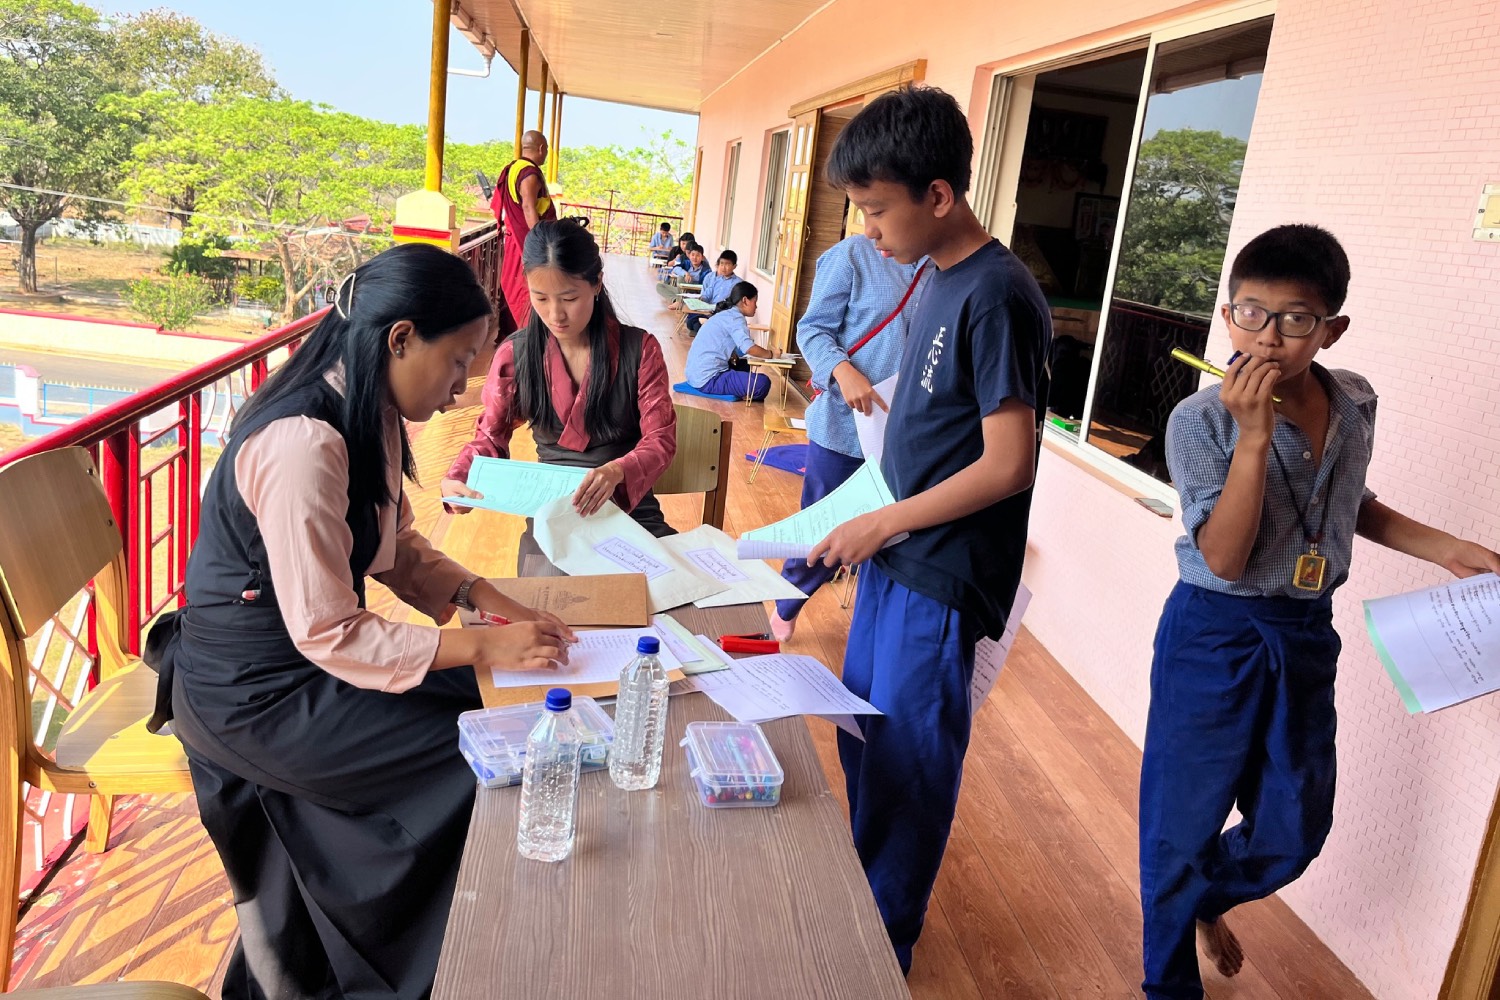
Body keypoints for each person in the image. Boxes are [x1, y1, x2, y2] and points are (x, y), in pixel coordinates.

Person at [145, 243, 577, 1000]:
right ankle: (404, 968)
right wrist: (483, 643)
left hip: (300, 662)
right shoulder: (303, 443)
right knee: (476, 755)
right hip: (253, 693)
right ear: (400, 339)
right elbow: (330, 631)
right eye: (457, 362)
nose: (460, 388)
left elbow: (394, 549)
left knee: (483, 702)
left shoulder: (366, 410)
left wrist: (488, 599)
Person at [1139, 224, 1500, 1000]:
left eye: (1296, 319)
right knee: (1181, 825)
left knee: (1294, 829)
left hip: (1305, 632)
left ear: (1331, 329)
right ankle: (1167, 983)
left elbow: (1346, 506)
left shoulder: (1355, 403)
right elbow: (1224, 557)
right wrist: (1252, 439)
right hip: (1215, 630)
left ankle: (1200, 899)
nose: (1268, 336)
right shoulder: (1200, 421)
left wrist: (1446, 547)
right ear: (1227, 314)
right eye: (1250, 313)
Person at [805, 86, 1052, 974]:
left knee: (908, 768)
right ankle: (861, 914)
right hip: (896, 558)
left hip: (938, 576)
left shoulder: (998, 293)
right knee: (863, 740)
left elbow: (1008, 464)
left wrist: (882, 523)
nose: (868, 230)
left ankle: (880, 955)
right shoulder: (939, 278)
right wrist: (865, 518)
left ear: (939, 196)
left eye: (877, 210)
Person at [443, 219, 679, 540]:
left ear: (597, 284)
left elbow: (660, 438)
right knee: (547, 574)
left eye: (569, 298)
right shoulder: (516, 354)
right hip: (551, 509)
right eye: (541, 298)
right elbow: (490, 436)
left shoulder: (640, 350)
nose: (556, 315)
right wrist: (459, 476)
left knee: (667, 569)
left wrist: (617, 470)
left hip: (627, 505)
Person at [769, 233, 929, 641]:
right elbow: (813, 329)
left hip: (904, 433)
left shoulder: (939, 267)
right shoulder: (852, 255)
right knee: (821, 529)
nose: (874, 225)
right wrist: (843, 372)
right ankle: (787, 603)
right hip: (843, 424)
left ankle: (872, 628)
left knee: (892, 536)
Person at [492, 129, 559, 328]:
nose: (546, 154)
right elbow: (529, 208)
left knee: (514, 286)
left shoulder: (515, 168)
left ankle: (515, 331)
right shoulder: (529, 174)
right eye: (547, 150)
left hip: (516, 238)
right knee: (523, 289)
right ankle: (525, 332)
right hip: (525, 242)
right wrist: (539, 242)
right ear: (541, 148)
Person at [683, 279, 775, 401]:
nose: (756, 306)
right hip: (708, 379)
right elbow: (749, 348)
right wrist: (771, 354)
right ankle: (743, 392)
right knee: (763, 383)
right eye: (755, 302)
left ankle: (741, 389)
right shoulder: (736, 318)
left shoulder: (726, 314)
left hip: (695, 375)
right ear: (745, 300)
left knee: (743, 364)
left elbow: (739, 350)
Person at [686, 249, 741, 334]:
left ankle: (707, 329)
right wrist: (701, 299)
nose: (723, 267)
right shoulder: (716, 280)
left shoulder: (738, 283)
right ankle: (707, 328)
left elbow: (734, 304)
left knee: (697, 325)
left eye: (727, 264)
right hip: (709, 312)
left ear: (734, 266)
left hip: (722, 315)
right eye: (722, 263)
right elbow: (707, 294)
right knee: (690, 322)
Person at [657, 242, 710, 306]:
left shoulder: (706, 270)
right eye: (693, 255)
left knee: (681, 278)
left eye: (697, 255)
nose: (694, 257)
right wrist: (686, 273)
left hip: (695, 291)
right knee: (659, 286)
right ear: (689, 256)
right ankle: (676, 300)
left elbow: (706, 286)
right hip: (682, 290)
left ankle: (680, 301)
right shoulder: (687, 263)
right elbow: (675, 268)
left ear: (702, 257)